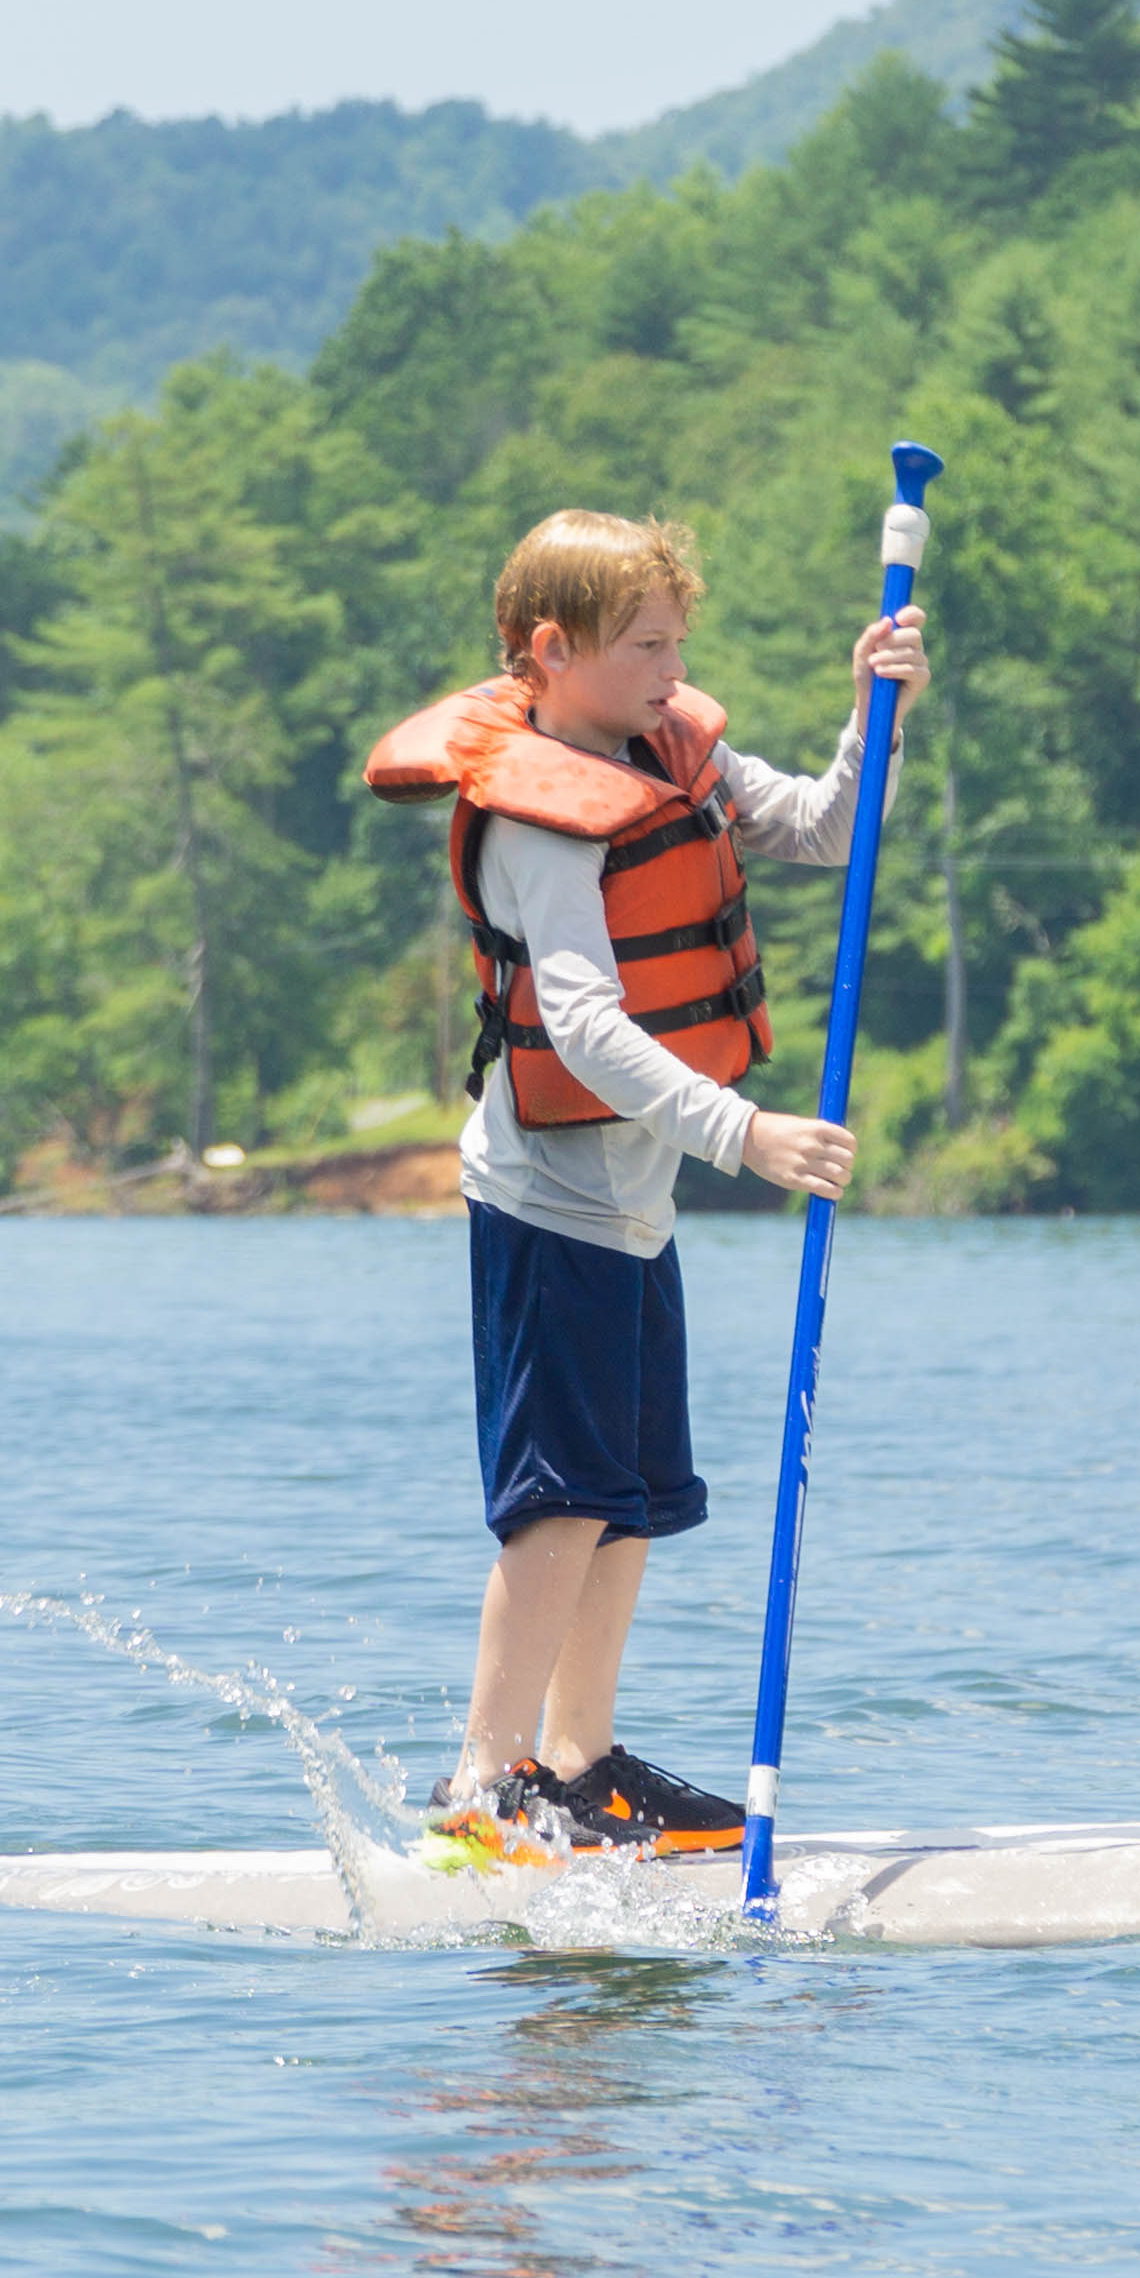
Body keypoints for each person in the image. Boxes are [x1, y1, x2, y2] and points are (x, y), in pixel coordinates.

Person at [361, 508, 926, 1862]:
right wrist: (748, 1135)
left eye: (680, 641)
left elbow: (826, 829)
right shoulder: (536, 818)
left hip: (631, 1199)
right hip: (546, 1197)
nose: (672, 669)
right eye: (645, 646)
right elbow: (582, 1025)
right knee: (557, 1498)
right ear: (549, 652)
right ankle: (482, 1784)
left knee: (627, 1496)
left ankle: (580, 1760)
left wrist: (874, 710)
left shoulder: (673, 749)